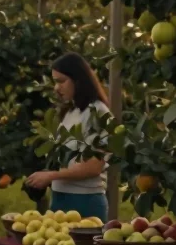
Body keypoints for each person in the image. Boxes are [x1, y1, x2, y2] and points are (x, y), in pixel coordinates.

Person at [24, 53, 111, 222]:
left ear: (78, 80)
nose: (56, 88)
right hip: (59, 199)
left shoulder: (97, 113)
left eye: (61, 81)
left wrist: (51, 176)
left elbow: (93, 166)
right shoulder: (71, 112)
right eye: (55, 82)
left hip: (84, 202)